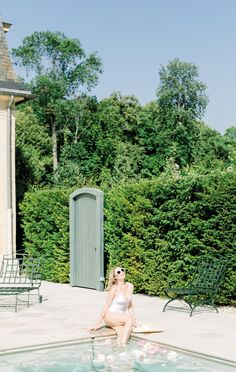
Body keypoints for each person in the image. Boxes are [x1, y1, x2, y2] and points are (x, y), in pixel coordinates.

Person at [89, 266, 137, 347]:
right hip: (110, 316)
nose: (121, 272)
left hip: (119, 318)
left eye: (122, 270)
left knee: (122, 334)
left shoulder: (130, 286)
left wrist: (134, 320)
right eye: (118, 272)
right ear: (115, 277)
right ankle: (124, 346)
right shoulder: (114, 289)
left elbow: (130, 305)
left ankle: (118, 350)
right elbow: (106, 305)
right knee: (129, 319)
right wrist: (98, 323)